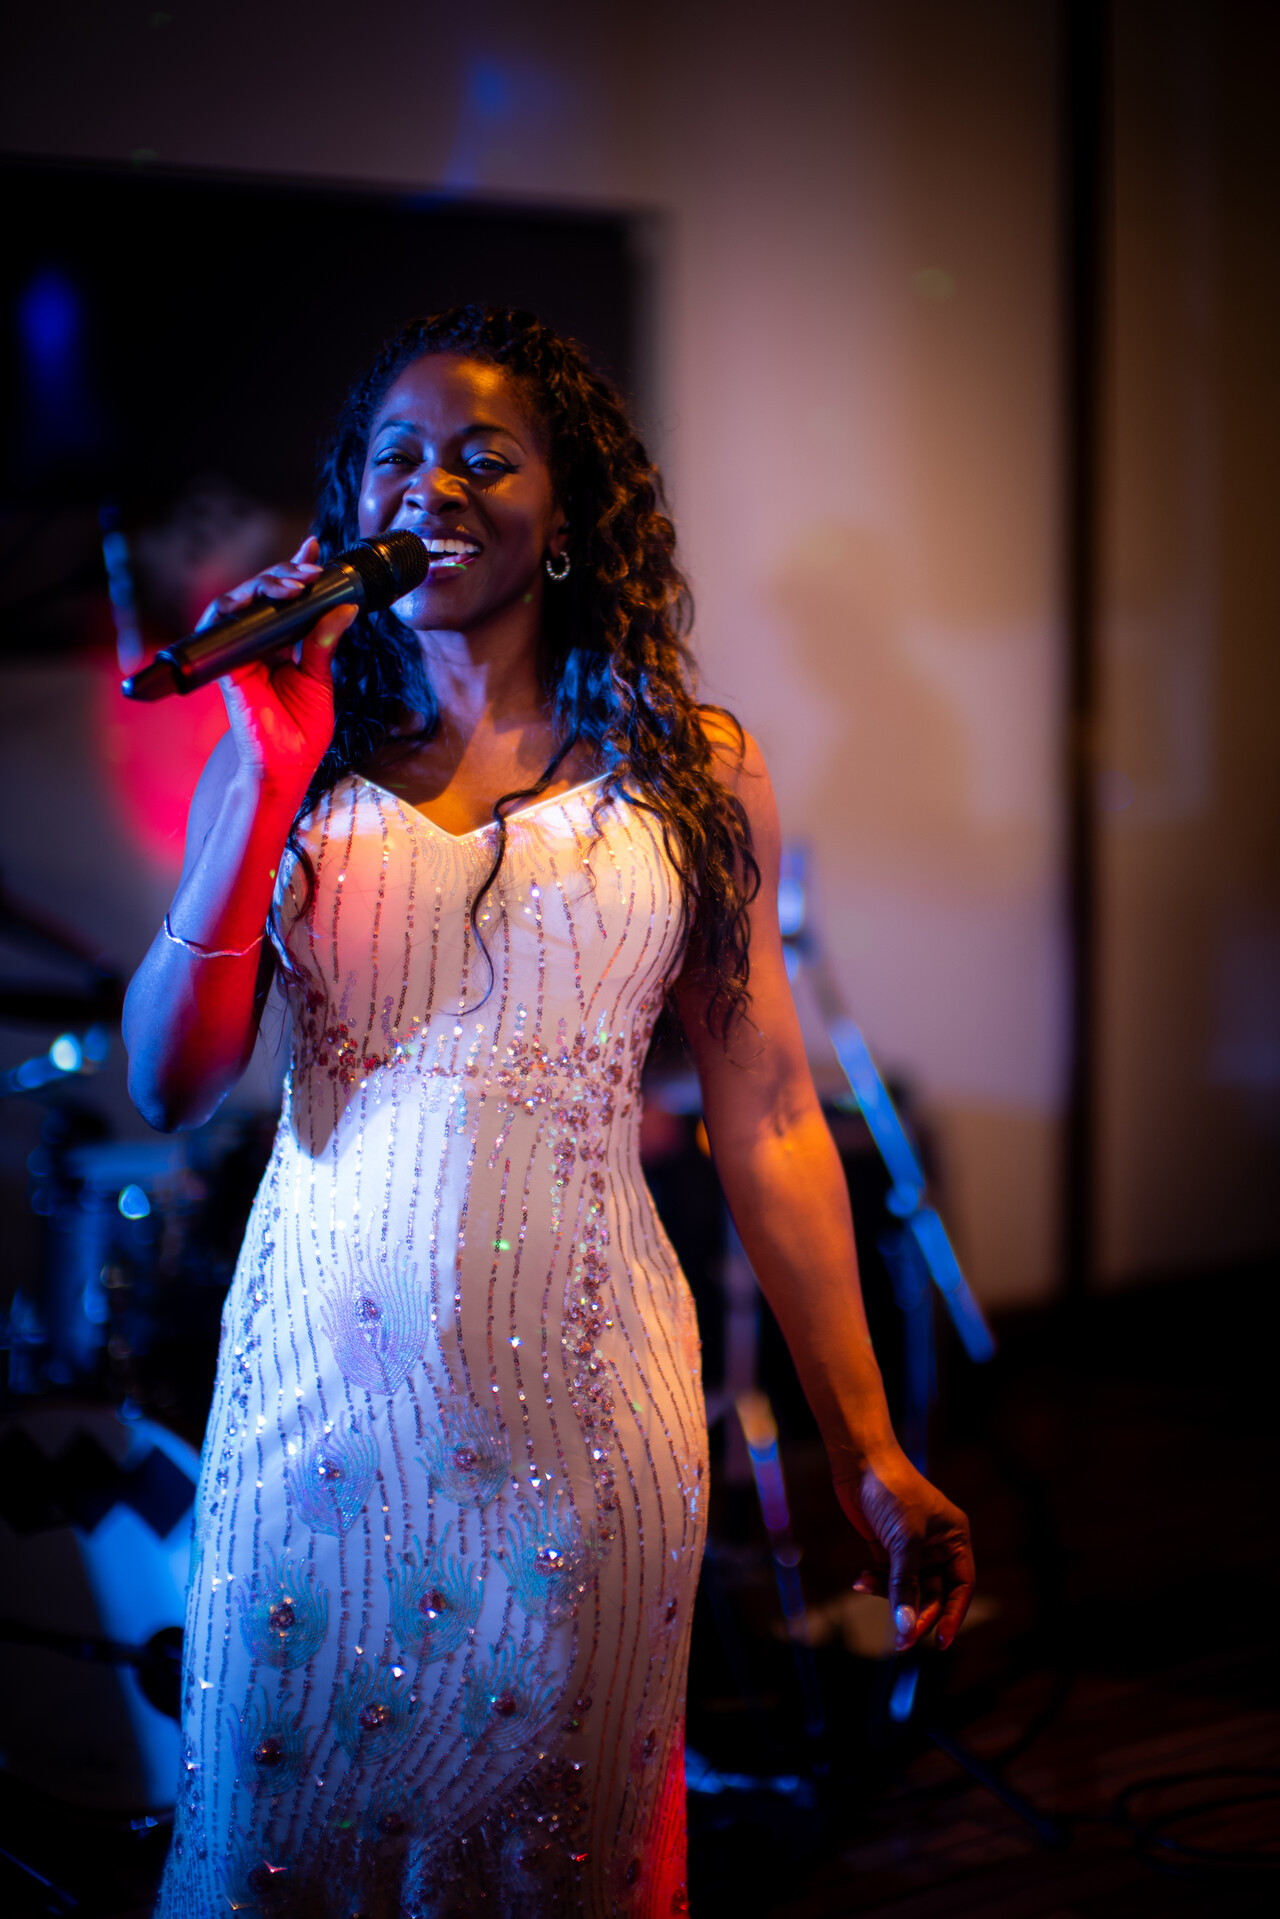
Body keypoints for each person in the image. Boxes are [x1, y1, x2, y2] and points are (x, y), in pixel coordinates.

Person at [125, 306, 973, 1918]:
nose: (430, 487)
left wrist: (867, 1447)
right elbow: (169, 1082)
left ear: (569, 512)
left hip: (587, 1414)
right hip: (317, 1405)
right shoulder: (296, 756)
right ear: (350, 506)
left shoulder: (694, 772)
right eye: (395, 458)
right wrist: (259, 770)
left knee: (549, 1860)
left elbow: (770, 1115)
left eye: (483, 457)